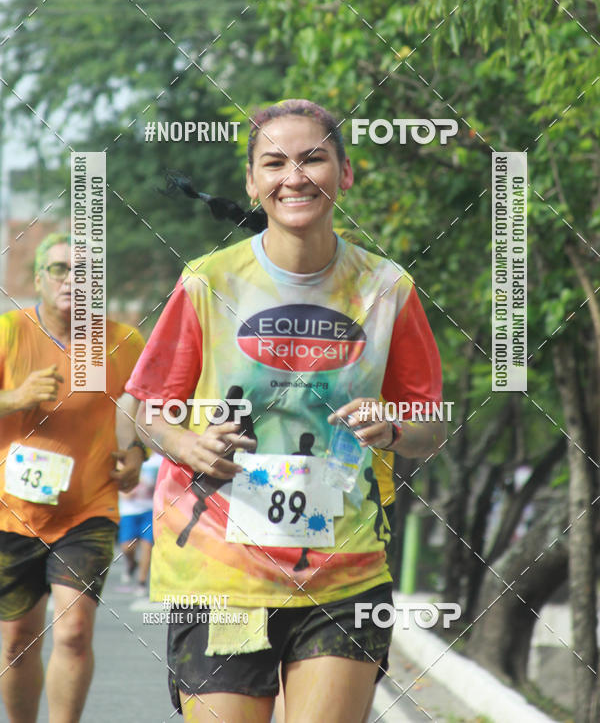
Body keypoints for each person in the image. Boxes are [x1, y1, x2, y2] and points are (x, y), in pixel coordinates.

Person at [127, 99, 444, 723]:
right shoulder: (208, 281)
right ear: (252, 182)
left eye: (313, 159)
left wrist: (395, 427)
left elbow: (430, 425)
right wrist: (187, 444)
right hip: (221, 573)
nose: (294, 177)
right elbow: (146, 408)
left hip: (345, 571)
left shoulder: (387, 289)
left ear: (344, 173)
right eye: (274, 163)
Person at [0, 233, 145, 723]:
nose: (72, 280)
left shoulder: (124, 342)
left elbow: (151, 407)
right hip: (11, 512)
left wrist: (138, 452)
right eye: (60, 269)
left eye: (84, 271)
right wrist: (16, 398)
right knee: (18, 639)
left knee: (74, 631)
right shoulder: (8, 332)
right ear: (38, 279)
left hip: (89, 509)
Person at [118, 452, 162, 594]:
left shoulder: (159, 459)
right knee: (127, 547)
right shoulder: (128, 456)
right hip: (129, 510)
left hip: (150, 510)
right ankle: (132, 564)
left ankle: (142, 582)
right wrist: (123, 492)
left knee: (147, 547)